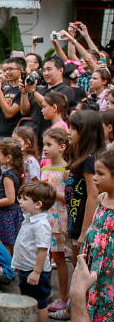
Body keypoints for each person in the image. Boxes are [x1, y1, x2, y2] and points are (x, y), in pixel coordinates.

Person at [12, 181, 57, 322]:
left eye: (25, 199)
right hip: (26, 268)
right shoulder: (29, 218)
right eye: (20, 197)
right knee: (27, 300)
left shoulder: (41, 225)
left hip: (36, 272)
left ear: (38, 204)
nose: (20, 201)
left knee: (39, 303)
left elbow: (43, 250)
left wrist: (37, 272)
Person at [79, 149, 114, 322]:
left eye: (100, 174)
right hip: (95, 266)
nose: (94, 177)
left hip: (110, 272)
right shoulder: (101, 199)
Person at [40, 127, 71, 317]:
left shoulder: (67, 170)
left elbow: (69, 197)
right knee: (45, 256)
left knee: (59, 259)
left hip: (59, 220)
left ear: (62, 147)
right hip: (45, 217)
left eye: (49, 145)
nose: (44, 148)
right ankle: (47, 292)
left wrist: (51, 192)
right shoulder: (44, 167)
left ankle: (63, 297)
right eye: (44, 144)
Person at [66, 110, 104, 263]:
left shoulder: (90, 160)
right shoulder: (81, 156)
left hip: (83, 220)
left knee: (80, 264)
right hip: (76, 215)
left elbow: (93, 196)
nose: (69, 132)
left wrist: (84, 232)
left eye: (74, 129)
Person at [0, 139, 24, 255]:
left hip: (6, 214)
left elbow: (10, 199)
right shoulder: (15, 172)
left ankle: (8, 268)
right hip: (12, 213)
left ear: (8, 158)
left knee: (6, 244)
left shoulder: (7, 176)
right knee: (11, 243)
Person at [0, 58, 24, 142]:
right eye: (6, 70)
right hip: (1, 132)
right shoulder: (6, 89)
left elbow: (9, 113)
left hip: (13, 135)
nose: (7, 72)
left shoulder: (23, 90)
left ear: (21, 70)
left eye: (11, 69)